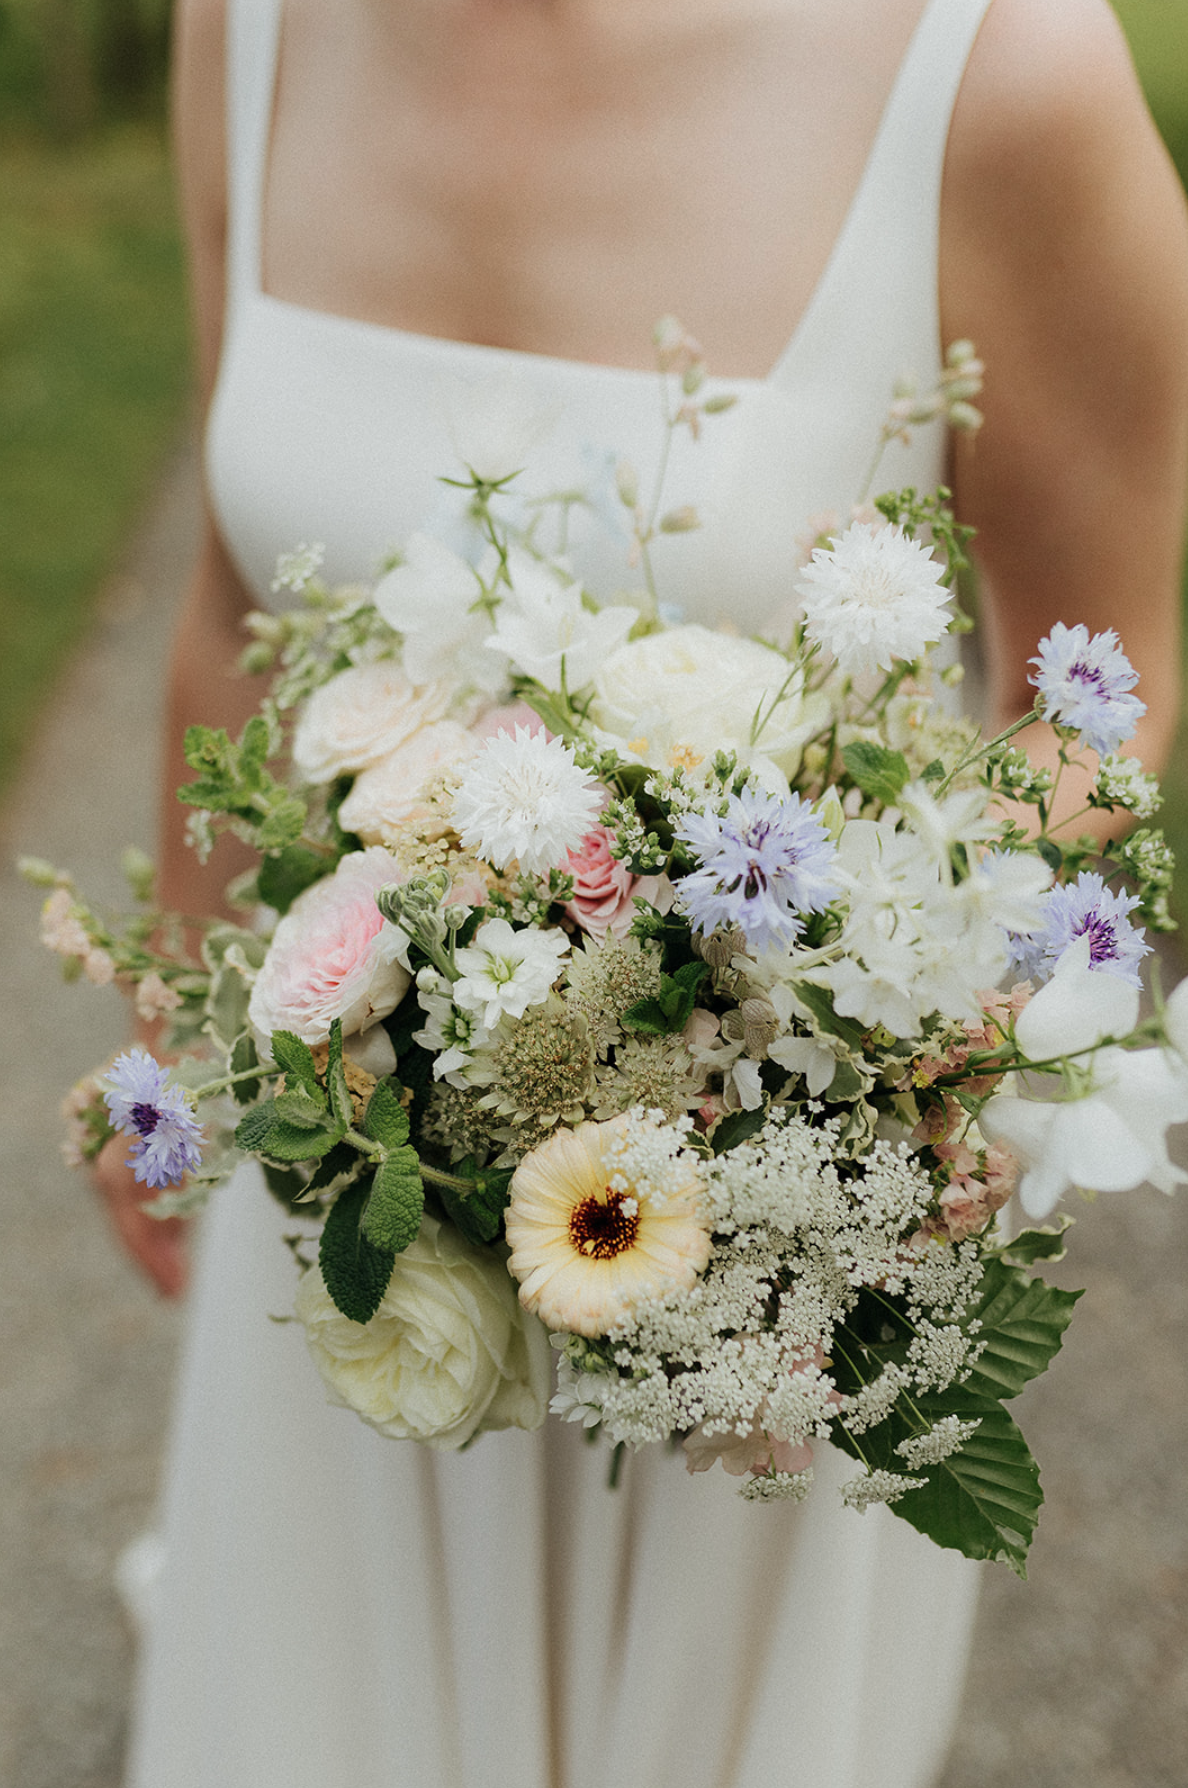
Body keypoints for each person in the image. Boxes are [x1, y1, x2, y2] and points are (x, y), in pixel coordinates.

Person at [96, 0, 1188, 1783]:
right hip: (356, 1219)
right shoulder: (247, 25)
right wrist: (164, 1010)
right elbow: (234, 607)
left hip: (753, 1295)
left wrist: (880, 1084)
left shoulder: (999, 69)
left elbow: (1105, 675)